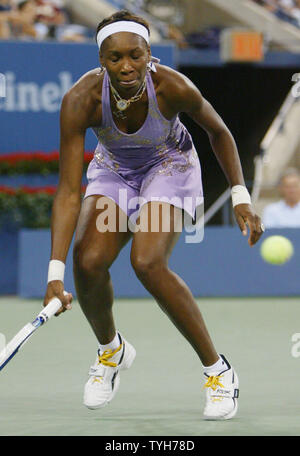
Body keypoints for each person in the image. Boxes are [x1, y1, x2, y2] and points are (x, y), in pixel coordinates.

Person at [43, 10, 264, 420]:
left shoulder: (172, 86)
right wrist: (54, 275)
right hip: (114, 170)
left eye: (135, 55)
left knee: (146, 261)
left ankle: (218, 371)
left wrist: (240, 195)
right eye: (114, 58)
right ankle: (112, 352)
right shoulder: (80, 99)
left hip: (170, 166)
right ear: (101, 59)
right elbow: (70, 191)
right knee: (87, 262)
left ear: (149, 55)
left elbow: (219, 132)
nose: (126, 66)